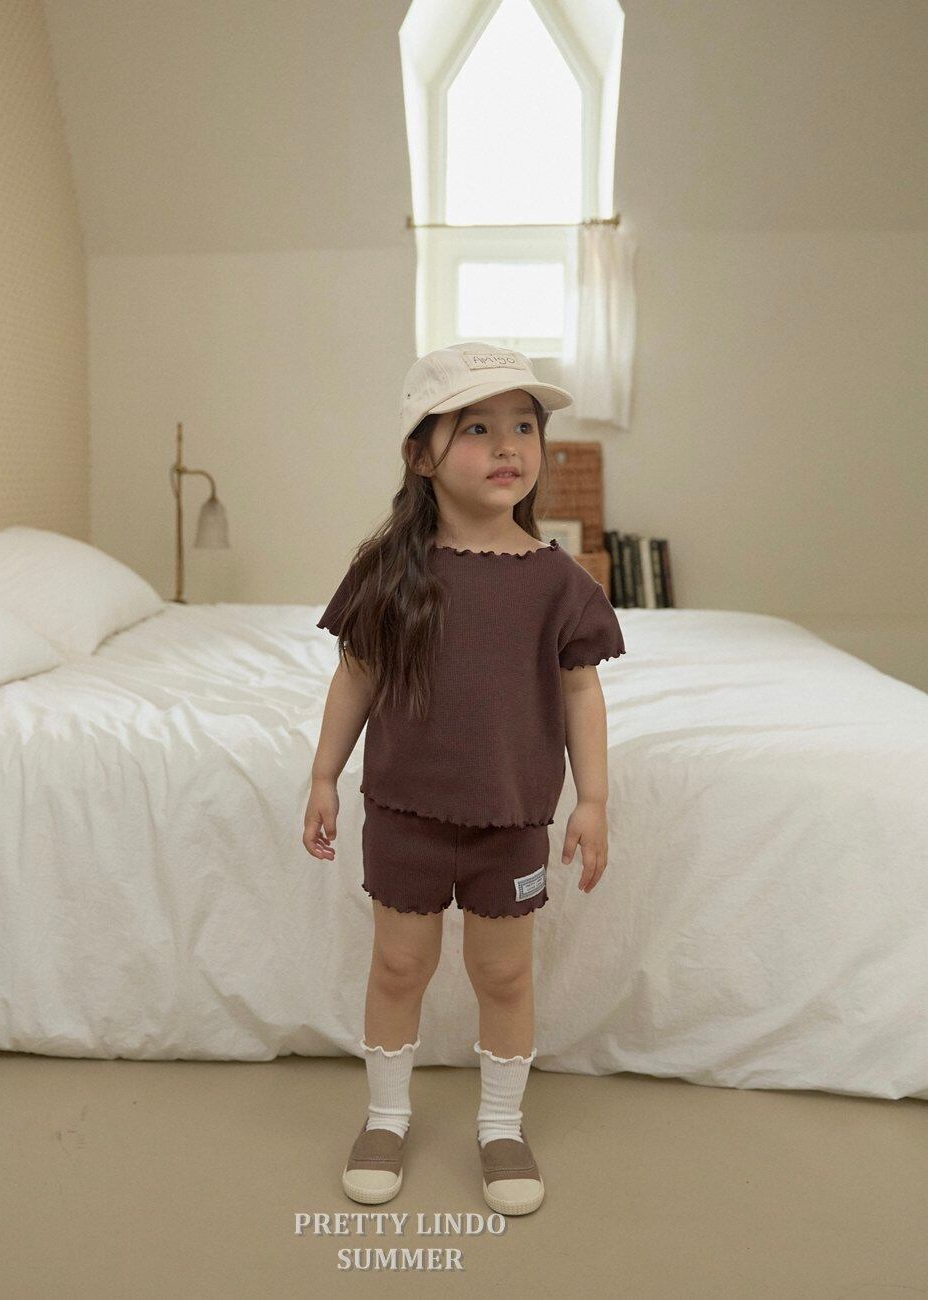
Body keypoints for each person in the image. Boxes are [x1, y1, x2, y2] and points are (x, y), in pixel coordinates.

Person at [303, 343, 626, 1216]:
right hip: (404, 813)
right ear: (422, 455)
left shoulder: (558, 583)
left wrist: (593, 799)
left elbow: (581, 692)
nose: (508, 445)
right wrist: (325, 774)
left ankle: (501, 1125)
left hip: (510, 820)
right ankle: (385, 1116)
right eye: (477, 429)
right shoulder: (390, 571)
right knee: (398, 965)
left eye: (524, 426)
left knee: (505, 976)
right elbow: (355, 676)